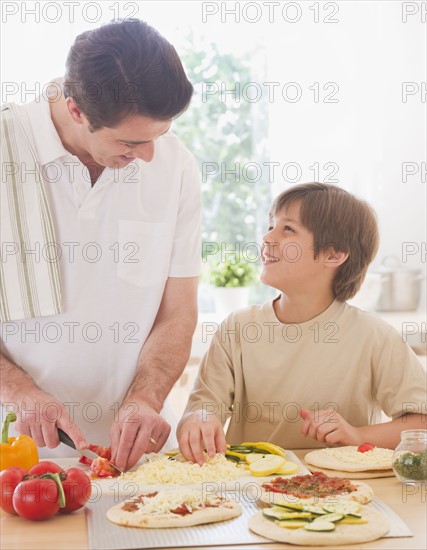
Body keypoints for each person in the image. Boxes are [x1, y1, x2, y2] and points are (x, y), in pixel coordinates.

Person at [0, 19, 201, 471]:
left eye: (159, 136)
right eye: (131, 141)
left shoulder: (175, 166)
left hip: (136, 457)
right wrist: (19, 392)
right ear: (75, 110)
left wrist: (146, 398)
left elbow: (178, 311)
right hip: (15, 455)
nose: (148, 156)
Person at [177, 183, 426, 464]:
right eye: (271, 225)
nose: (267, 237)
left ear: (333, 254)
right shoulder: (238, 328)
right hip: (249, 489)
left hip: (338, 491)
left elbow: (420, 424)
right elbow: (201, 407)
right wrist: (199, 420)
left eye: (288, 229)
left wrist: (357, 435)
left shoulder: (375, 337)